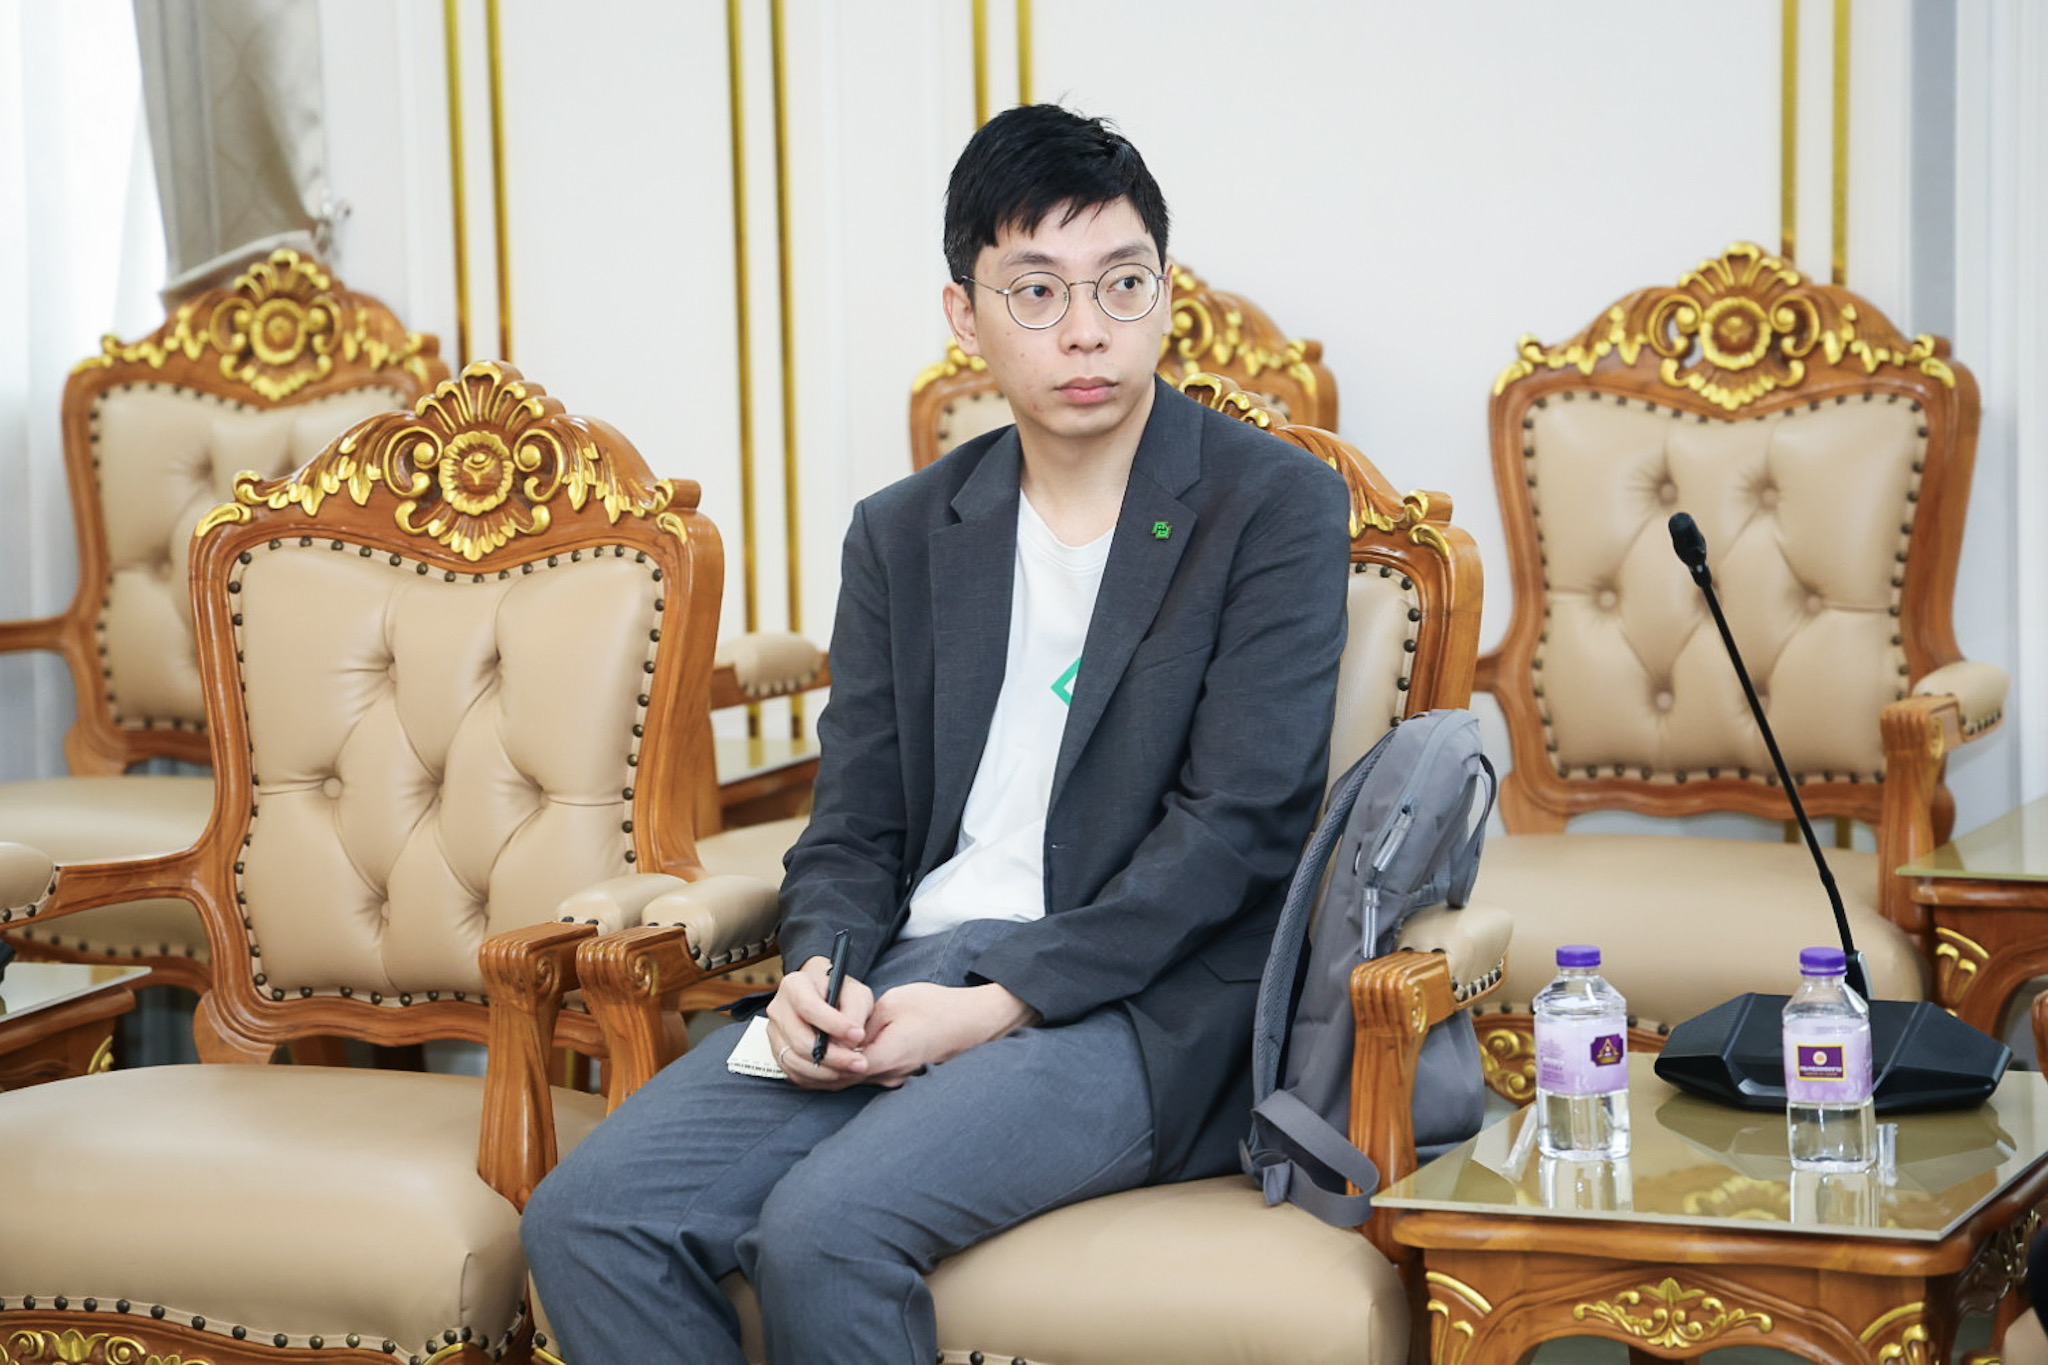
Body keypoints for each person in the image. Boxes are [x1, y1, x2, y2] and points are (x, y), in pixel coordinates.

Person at [521, 103, 1350, 1363]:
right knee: (588, 1220)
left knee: (825, 1232)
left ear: (1164, 293)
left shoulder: (1270, 504)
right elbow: (854, 821)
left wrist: (998, 1001)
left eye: (1122, 284)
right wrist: (818, 972)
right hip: (905, 974)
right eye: (1036, 292)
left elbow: (1235, 831)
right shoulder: (904, 532)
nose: (1087, 329)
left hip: (1136, 1005)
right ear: (963, 315)